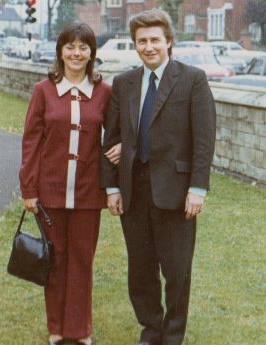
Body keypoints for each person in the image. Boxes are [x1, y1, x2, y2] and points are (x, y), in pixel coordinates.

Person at [101, 8, 216, 345]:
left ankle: (173, 334)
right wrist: (111, 187)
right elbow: (111, 140)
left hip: (177, 193)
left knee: (177, 271)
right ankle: (151, 330)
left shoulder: (193, 79)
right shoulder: (123, 83)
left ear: (169, 42)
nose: (148, 47)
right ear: (135, 45)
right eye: (141, 41)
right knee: (140, 269)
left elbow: (203, 139)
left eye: (154, 40)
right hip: (134, 193)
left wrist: (197, 188)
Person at [19, 21, 120, 345]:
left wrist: (116, 166)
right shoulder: (43, 90)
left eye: (83, 47)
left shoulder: (104, 92)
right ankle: (57, 329)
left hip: (90, 193)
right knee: (55, 260)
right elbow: (31, 142)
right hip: (50, 191)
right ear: (60, 50)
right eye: (70, 46)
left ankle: (79, 331)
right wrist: (29, 189)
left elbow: (115, 138)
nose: (76, 53)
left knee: (81, 262)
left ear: (92, 53)